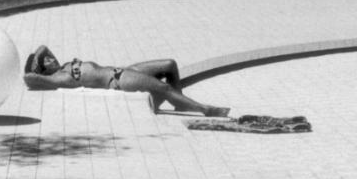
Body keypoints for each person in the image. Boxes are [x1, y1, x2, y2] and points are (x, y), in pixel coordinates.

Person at [23, 46, 229, 118]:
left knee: (169, 64)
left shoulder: (64, 66)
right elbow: (29, 78)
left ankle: (179, 101)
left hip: (123, 70)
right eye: (46, 61)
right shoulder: (57, 78)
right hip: (118, 80)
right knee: (163, 86)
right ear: (43, 70)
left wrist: (38, 56)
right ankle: (205, 109)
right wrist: (35, 66)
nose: (51, 58)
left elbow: (43, 47)